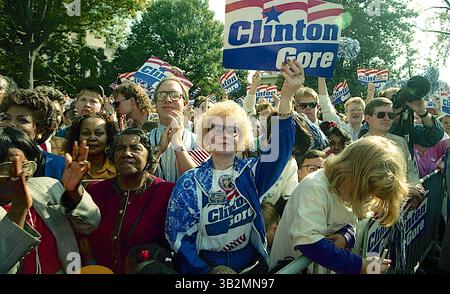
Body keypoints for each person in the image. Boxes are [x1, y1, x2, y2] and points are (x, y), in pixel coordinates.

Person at [165, 59, 302, 274]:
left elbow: (280, 151)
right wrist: (206, 272)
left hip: (251, 266)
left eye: (232, 129)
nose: (224, 135)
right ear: (204, 136)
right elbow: (178, 237)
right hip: (205, 266)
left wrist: (286, 97)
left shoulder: (251, 172)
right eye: (215, 128)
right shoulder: (190, 182)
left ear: (243, 137)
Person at [270, 136, 409, 274]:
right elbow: (308, 242)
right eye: (368, 190)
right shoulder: (314, 187)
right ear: (353, 172)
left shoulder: (349, 188)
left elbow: (351, 222)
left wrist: (346, 236)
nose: (368, 196)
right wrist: (360, 266)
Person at [0, 127, 100, 274]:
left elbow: (91, 223)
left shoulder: (48, 187)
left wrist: (74, 194)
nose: (20, 174)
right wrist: (19, 209)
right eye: (8, 168)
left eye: (27, 166)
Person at [79, 128, 176, 273]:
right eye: (120, 148)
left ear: (149, 155)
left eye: (135, 148)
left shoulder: (167, 192)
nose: (127, 153)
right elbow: (82, 237)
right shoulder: (95, 191)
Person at [149, 76, 207, 182]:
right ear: (155, 104)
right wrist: (159, 151)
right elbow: (137, 178)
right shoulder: (144, 140)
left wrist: (178, 145)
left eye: (175, 95)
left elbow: (199, 182)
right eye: (161, 95)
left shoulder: (199, 142)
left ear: (185, 104)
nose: (168, 99)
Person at [0, 89, 65, 180]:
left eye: (22, 120)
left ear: (40, 131)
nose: (11, 124)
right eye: (6, 118)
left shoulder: (59, 167)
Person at [364, 98, 420, 185]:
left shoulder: (400, 142)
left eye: (390, 115)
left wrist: (416, 186)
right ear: (367, 118)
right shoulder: (360, 146)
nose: (387, 118)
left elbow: (410, 171)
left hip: (405, 196)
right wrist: (404, 189)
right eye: (381, 115)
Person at [65, 113, 119, 180]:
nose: (92, 138)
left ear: (108, 137)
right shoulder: (66, 166)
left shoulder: (118, 167)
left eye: (99, 133)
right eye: (86, 133)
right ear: (77, 137)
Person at [318, 77, 365, 142]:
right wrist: (321, 77)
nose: (355, 112)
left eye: (359, 109)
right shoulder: (340, 127)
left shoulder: (370, 131)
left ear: (364, 113)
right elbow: (325, 103)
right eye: (352, 110)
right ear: (346, 114)